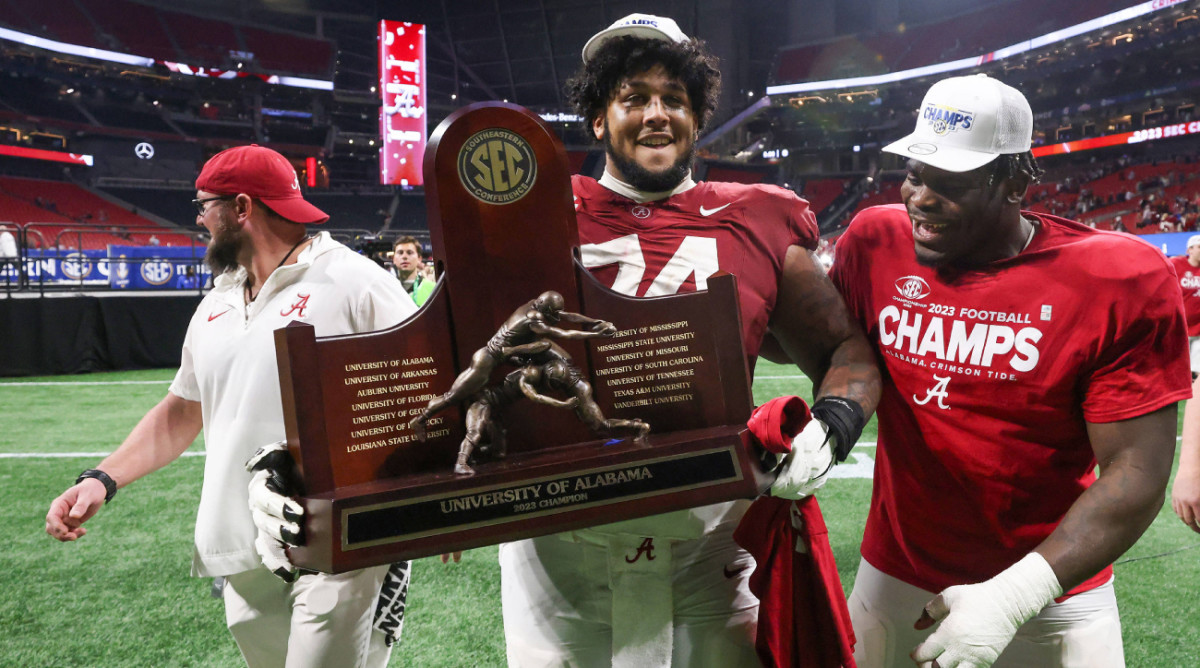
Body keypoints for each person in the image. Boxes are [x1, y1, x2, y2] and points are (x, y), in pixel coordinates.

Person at [498, 14, 880, 668]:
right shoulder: (534, 216)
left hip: (708, 553)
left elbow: (847, 351)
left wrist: (832, 425)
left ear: (697, 117)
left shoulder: (757, 217)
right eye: (633, 98)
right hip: (557, 557)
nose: (655, 115)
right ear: (598, 118)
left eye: (673, 99)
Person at [830, 74, 1191, 668]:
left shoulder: (1118, 277)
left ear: (1017, 181)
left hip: (1051, 587)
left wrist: (1015, 594)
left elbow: (1137, 467)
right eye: (916, 174)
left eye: (951, 183)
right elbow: (828, 350)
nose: (920, 197)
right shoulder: (874, 239)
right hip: (894, 573)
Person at [44, 144, 418, 668]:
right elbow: (181, 410)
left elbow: (426, 391)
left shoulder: (355, 281)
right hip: (242, 542)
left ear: (241, 208)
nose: (199, 219)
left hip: (340, 539)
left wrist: (426, 501)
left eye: (204, 205)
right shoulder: (217, 300)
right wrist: (101, 479)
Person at [391, 235, 434, 306]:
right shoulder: (388, 288)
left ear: (419, 259)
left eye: (409, 252)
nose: (404, 256)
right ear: (394, 259)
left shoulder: (432, 289)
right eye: (400, 252)